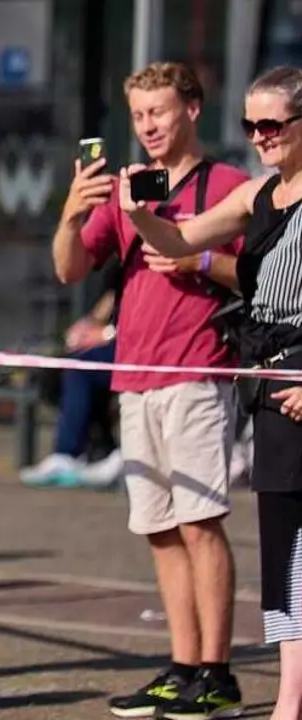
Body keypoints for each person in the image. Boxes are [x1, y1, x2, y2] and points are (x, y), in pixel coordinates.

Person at [50, 61, 248, 719]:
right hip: (134, 378)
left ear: (191, 109)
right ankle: (182, 663)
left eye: (159, 111)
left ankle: (217, 670)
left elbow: (257, 275)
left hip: (197, 373)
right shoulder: (127, 187)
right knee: (160, 529)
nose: (148, 126)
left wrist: (197, 260)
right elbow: (70, 267)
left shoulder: (229, 186)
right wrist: (72, 213)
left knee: (199, 523)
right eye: (138, 116)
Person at [128, 65, 302, 720]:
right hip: (270, 389)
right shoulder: (258, 196)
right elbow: (176, 241)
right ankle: (290, 698)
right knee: (286, 554)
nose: (259, 137)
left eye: (272, 124)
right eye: (250, 124)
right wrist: (140, 214)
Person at [20, 281, 122, 489]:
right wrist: (87, 327)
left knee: (81, 369)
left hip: (141, 348)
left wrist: (105, 334)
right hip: (118, 343)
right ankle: (99, 451)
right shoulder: (119, 267)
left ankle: (70, 454)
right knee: (58, 373)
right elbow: (111, 297)